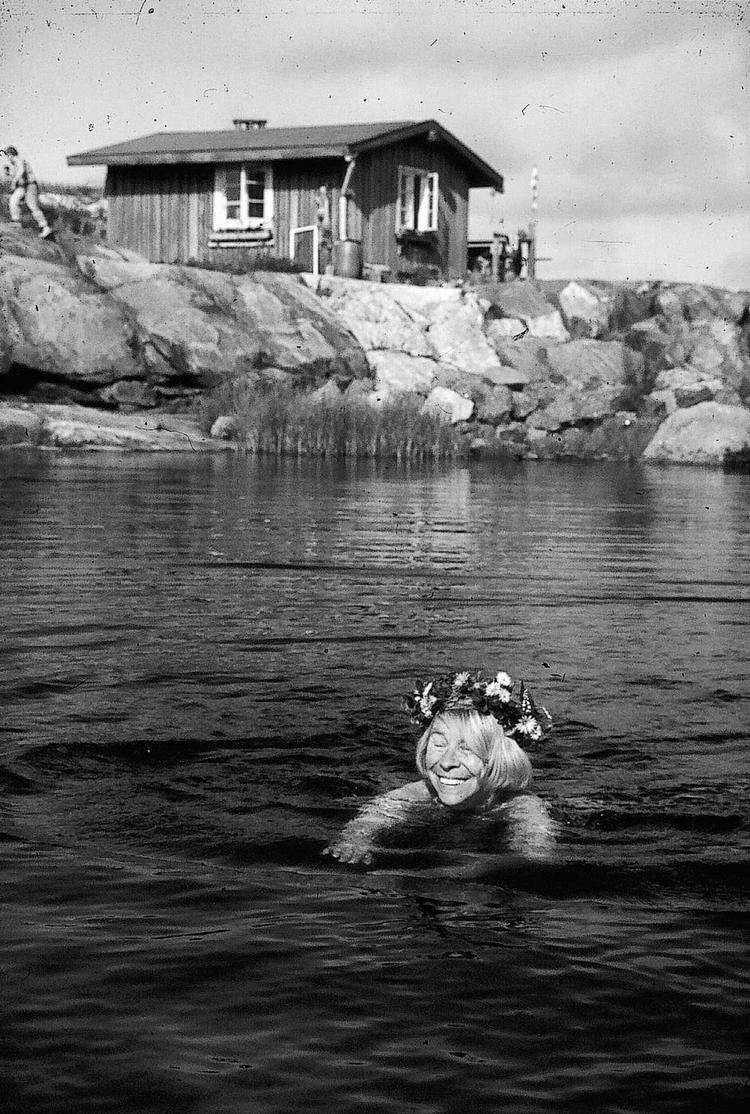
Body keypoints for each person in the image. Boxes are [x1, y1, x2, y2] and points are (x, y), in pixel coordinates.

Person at [325, 669, 556, 866]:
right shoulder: (419, 793)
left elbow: (533, 849)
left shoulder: (519, 805)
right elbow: (374, 817)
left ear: (500, 759)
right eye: (439, 744)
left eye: (467, 749)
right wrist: (355, 839)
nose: (447, 762)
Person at [2, 145, 52, 238]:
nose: (7, 159)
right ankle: (16, 221)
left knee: (32, 206)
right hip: (23, 186)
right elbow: (17, 174)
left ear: (10, 154)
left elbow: (21, 171)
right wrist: (8, 173)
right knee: (13, 200)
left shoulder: (19, 160)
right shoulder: (16, 163)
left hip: (30, 186)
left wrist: (14, 181)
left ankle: (45, 227)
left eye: (7, 156)